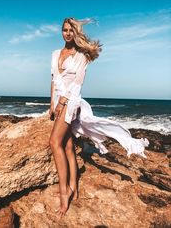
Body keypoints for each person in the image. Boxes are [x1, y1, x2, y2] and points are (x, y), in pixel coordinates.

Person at [49, 17, 149, 217]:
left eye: (71, 30)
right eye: (65, 30)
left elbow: (77, 84)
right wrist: (51, 103)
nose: (67, 33)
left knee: (54, 142)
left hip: (71, 102)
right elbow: (53, 79)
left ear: (75, 33)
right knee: (68, 145)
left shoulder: (81, 56)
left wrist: (62, 103)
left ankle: (64, 194)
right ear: (61, 32)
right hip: (58, 102)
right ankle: (73, 187)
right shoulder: (54, 54)